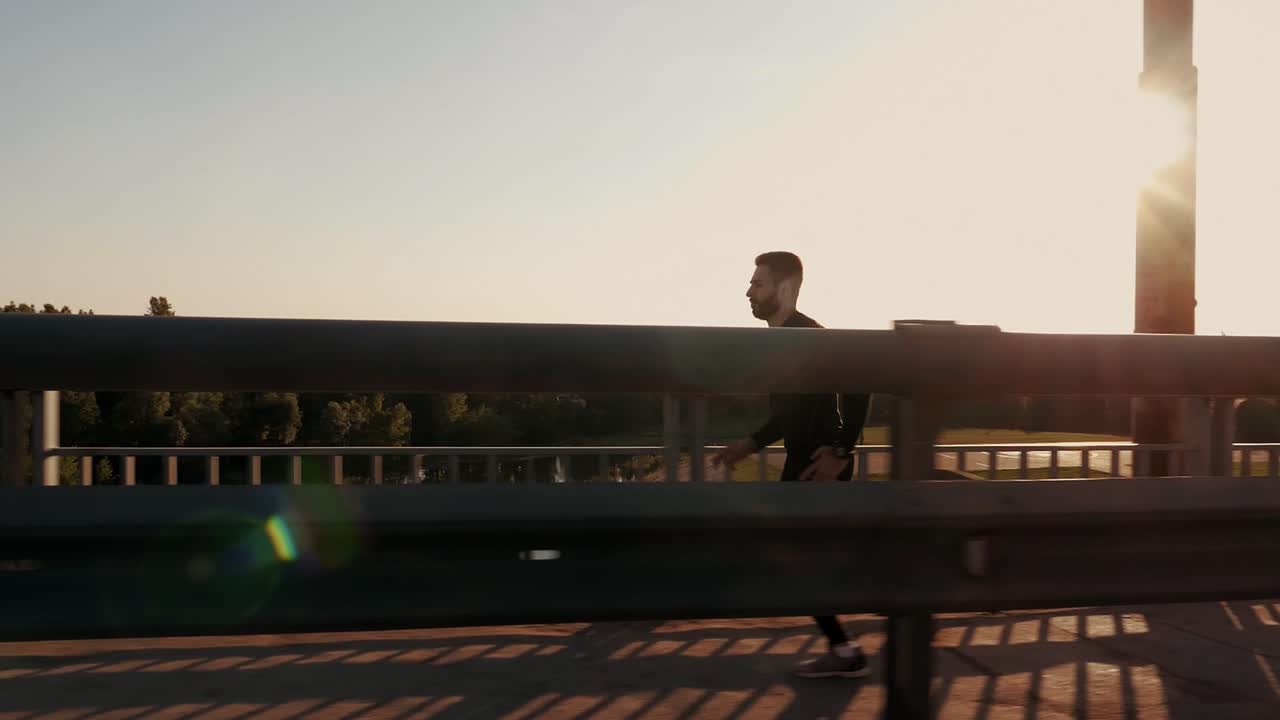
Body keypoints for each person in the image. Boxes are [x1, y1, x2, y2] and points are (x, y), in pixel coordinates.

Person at [710, 250, 872, 679]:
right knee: (802, 563)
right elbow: (788, 414)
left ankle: (849, 647)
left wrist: (840, 451)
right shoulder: (781, 342)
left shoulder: (811, 337)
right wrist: (748, 444)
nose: (748, 291)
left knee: (801, 563)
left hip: (818, 467)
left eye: (757, 283)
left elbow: (860, 389)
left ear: (784, 289)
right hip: (803, 464)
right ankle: (846, 647)